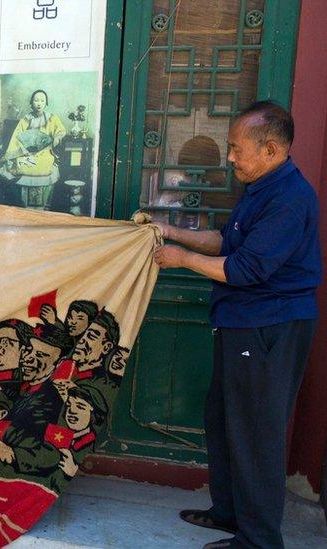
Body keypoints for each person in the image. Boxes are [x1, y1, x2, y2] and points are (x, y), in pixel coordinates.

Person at [153, 101, 321, 549]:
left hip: (270, 327)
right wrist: (169, 231)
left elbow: (246, 269)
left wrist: (181, 259)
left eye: (235, 148)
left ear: (269, 149)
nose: (229, 158)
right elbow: (223, 242)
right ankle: (229, 513)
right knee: (224, 420)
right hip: (242, 322)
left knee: (256, 431)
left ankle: (259, 539)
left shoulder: (289, 199)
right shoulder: (261, 187)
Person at [0, 89, 67, 210]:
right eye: (36, 100)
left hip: (45, 152)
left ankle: (42, 208)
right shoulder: (25, 119)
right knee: (20, 164)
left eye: (42, 100)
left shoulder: (52, 118)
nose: (39, 103)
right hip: (27, 153)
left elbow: (61, 131)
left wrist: (56, 138)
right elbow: (17, 137)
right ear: (31, 103)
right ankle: (26, 208)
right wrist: (24, 151)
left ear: (46, 103)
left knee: (45, 164)